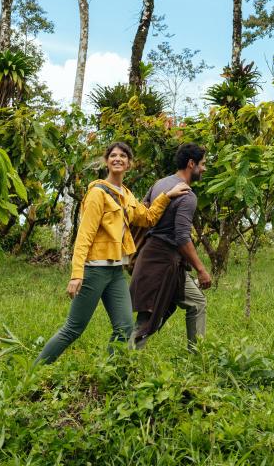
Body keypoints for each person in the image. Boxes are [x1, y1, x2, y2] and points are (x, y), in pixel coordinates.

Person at [36, 141, 188, 364]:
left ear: (129, 164)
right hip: (95, 270)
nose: (118, 159)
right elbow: (84, 235)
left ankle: (108, 373)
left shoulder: (126, 194)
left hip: (116, 271)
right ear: (107, 162)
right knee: (73, 328)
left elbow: (147, 218)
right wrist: (77, 274)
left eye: (123, 156)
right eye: (113, 155)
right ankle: (34, 373)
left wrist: (168, 195)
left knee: (125, 327)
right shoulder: (97, 193)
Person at [130, 142, 214, 352]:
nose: (204, 169)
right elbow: (182, 237)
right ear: (191, 163)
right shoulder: (187, 195)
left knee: (196, 302)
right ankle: (123, 362)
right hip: (162, 262)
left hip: (157, 260)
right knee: (147, 318)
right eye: (202, 164)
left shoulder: (159, 184)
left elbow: (145, 212)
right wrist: (201, 270)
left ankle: (198, 356)